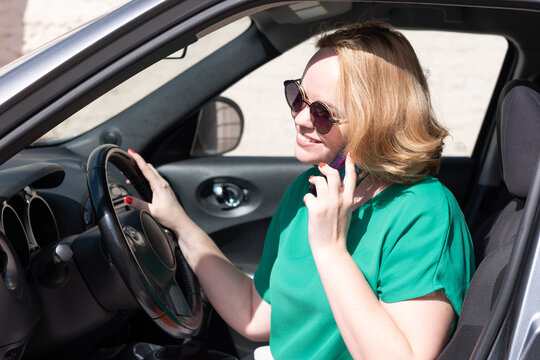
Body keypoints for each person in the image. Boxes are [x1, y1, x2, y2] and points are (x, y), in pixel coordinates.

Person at [125, 21, 474, 360]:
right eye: (297, 97)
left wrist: (331, 250)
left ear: (377, 121)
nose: (301, 118)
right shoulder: (309, 189)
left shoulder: (423, 212)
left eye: (323, 113)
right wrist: (179, 223)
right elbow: (254, 311)